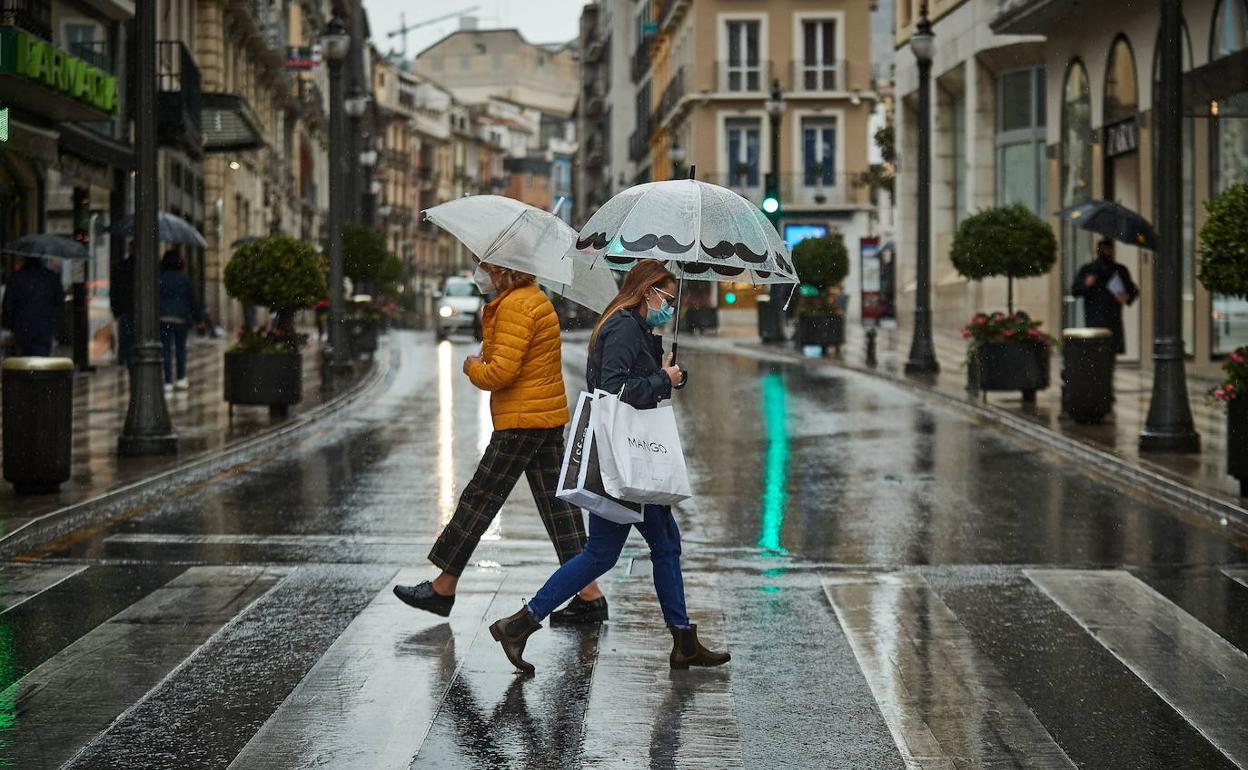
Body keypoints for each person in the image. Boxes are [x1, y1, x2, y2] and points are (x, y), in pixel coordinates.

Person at [487, 260, 730, 675]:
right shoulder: (621, 328)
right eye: (667, 298)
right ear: (647, 291)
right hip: (624, 461)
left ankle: (523, 624)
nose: (669, 306)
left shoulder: (635, 328)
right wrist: (661, 381)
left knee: (637, 548)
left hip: (628, 459)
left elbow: (633, 380)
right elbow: (612, 390)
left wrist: (668, 372)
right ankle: (520, 624)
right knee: (638, 547)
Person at [393, 262, 607, 623]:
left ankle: (443, 587)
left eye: (487, 268)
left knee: (481, 497)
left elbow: (500, 373)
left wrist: (473, 366)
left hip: (522, 420)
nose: (481, 274)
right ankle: (589, 594)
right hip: (544, 415)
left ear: (503, 272)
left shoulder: (516, 305)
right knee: (558, 507)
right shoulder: (532, 299)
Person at [1071, 238, 1139, 355]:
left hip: (1112, 317)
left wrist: (1126, 297)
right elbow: (1075, 290)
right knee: (1094, 351)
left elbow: (1133, 290)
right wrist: (1086, 284)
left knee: (1110, 350)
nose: (1105, 252)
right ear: (1097, 251)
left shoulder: (1119, 270)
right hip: (1093, 317)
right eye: (1102, 249)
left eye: (1108, 249)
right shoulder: (1088, 270)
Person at [1, 256, 63, 356]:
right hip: (44, 327)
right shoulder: (51, 278)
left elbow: (8, 304)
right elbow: (59, 304)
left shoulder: (16, 277)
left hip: (21, 327)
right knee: (41, 359)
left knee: (23, 359)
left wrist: (8, 324)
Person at [158, 250, 201, 392]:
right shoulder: (185, 279)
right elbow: (192, 300)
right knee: (180, 348)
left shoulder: (160, 278)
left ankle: (168, 381)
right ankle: (181, 378)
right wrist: (198, 319)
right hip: (181, 319)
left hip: (164, 318)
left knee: (166, 350)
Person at [111, 247, 135, 367]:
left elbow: (114, 291)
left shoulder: (120, 267)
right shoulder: (145, 268)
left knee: (126, 338)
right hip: (139, 310)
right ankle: (130, 360)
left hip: (125, 309)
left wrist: (115, 309)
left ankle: (127, 360)